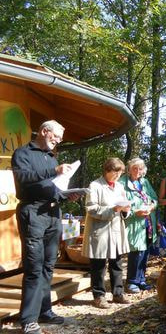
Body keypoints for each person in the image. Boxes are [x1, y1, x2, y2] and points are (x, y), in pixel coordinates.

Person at [12, 120, 82, 334]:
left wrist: (66, 195)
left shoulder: (51, 156)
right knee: (33, 267)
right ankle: (28, 320)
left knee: (48, 265)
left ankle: (44, 311)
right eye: (56, 136)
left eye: (60, 138)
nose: (58, 141)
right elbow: (23, 178)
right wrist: (54, 170)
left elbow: (51, 187)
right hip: (32, 213)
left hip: (53, 214)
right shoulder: (23, 153)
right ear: (44, 131)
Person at [82, 158, 131, 308]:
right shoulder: (95, 185)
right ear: (107, 170)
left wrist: (126, 211)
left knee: (117, 264)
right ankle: (99, 296)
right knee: (98, 265)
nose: (118, 176)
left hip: (116, 231)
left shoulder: (120, 187)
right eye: (115, 172)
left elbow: (124, 208)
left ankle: (118, 293)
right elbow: (91, 208)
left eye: (120, 173)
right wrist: (112, 210)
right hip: (100, 231)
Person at [120, 158, 158, 293]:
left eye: (140, 168)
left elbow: (154, 198)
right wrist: (136, 212)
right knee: (136, 251)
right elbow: (121, 206)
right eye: (134, 168)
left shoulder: (144, 182)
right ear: (129, 169)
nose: (137, 171)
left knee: (145, 250)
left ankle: (141, 279)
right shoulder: (122, 183)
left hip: (148, 222)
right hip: (134, 223)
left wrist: (152, 206)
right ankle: (131, 282)